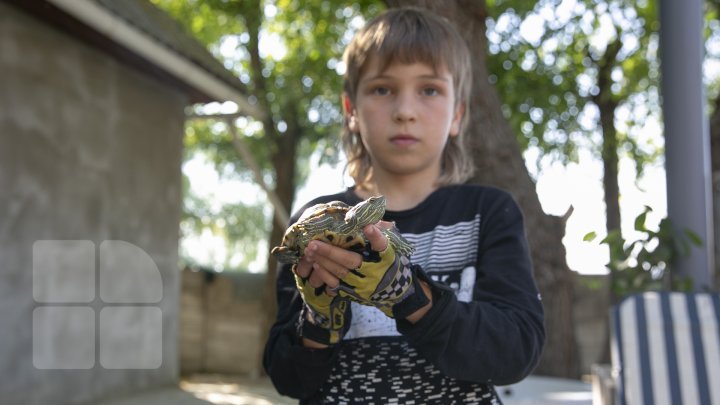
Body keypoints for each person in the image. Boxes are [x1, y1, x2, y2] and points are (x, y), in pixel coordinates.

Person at [263, 6, 545, 404]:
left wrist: (407, 294)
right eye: (382, 89)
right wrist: (320, 315)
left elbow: (516, 350)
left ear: (457, 115)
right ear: (352, 112)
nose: (405, 112)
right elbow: (287, 377)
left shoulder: (488, 212)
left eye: (429, 89)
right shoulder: (313, 221)